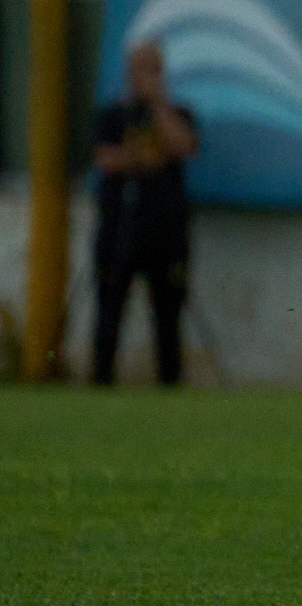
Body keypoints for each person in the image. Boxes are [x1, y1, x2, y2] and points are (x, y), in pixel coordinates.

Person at [91, 41, 199, 386]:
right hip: (118, 228)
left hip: (165, 232)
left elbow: (183, 146)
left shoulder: (180, 114)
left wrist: (156, 105)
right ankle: (101, 380)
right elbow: (106, 160)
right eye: (140, 69)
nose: (146, 77)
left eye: (154, 69)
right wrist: (144, 159)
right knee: (109, 310)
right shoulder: (112, 116)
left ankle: (170, 383)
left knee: (168, 314)